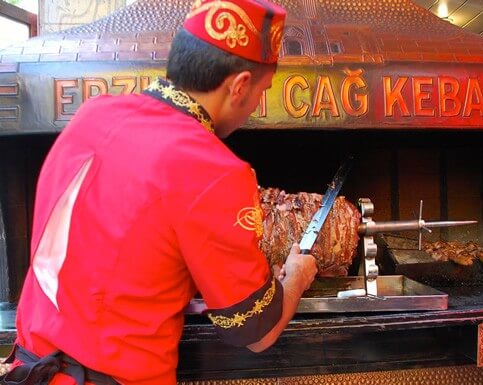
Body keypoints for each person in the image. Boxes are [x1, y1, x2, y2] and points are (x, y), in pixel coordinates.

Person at [0, 0, 317, 384]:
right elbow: (255, 331)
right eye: (262, 90)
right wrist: (296, 277)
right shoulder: (213, 169)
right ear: (240, 85)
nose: (255, 105)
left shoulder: (92, 114)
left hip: (26, 368)